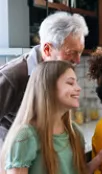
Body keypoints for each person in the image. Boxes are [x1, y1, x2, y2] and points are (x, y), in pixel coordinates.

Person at [0, 61, 102, 174]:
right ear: (48, 88)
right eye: (70, 83)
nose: (78, 88)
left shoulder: (74, 133)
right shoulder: (25, 136)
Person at [0, 11, 88, 142]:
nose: (77, 60)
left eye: (80, 53)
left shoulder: (61, 71)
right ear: (47, 49)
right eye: (71, 53)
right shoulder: (12, 76)